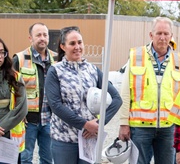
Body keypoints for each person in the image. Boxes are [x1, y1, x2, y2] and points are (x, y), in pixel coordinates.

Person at [44, 26, 122, 164]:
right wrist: (84, 124)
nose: (77, 47)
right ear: (63, 46)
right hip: (64, 141)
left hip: (88, 139)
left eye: (80, 42)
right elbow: (55, 105)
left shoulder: (92, 70)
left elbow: (117, 99)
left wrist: (98, 124)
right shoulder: (55, 71)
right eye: (72, 43)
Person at [118, 17, 180, 164]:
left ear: (171, 36)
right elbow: (125, 92)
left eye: (166, 33)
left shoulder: (179, 61)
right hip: (140, 127)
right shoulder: (136, 56)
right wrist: (124, 123)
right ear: (151, 35)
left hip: (169, 128)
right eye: (159, 33)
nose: (162, 37)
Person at [13, 22, 57, 164]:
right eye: (38, 35)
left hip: (50, 120)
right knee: (25, 159)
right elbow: (11, 90)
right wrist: (17, 114)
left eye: (45, 35)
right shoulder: (19, 59)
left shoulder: (56, 59)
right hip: (27, 121)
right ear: (30, 38)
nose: (42, 38)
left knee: (48, 160)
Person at [0, 38, 27, 164]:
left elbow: (21, 108)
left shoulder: (15, 77)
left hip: (9, 138)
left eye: (2, 52)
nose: (0, 56)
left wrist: (2, 127)